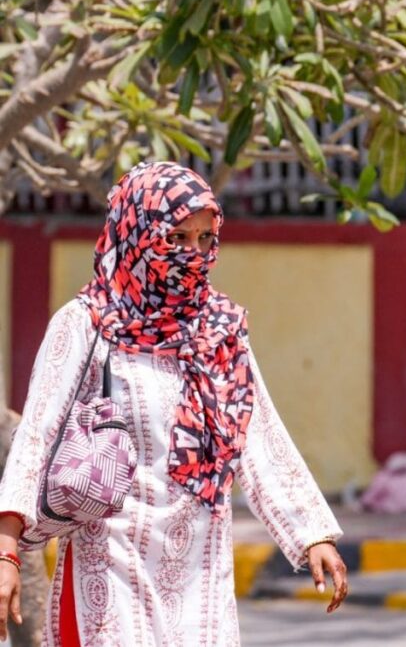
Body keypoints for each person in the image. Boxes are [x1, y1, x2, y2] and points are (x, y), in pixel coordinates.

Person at [0, 163, 348, 645]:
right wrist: (7, 549)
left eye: (205, 239)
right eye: (178, 237)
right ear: (138, 233)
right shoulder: (86, 324)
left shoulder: (217, 331)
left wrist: (312, 534)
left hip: (200, 568)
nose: (194, 254)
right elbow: (37, 433)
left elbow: (258, 432)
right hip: (110, 561)